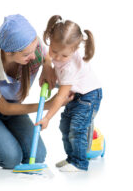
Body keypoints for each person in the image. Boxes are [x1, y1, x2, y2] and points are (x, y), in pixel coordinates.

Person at [0, 14, 73, 169]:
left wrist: (47, 65)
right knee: (11, 159)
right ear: (8, 52)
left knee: (37, 156)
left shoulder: (32, 46)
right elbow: (5, 108)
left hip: (12, 107)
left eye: (35, 49)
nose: (34, 56)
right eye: (27, 54)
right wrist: (48, 105)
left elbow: (45, 55)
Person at [35, 15, 102, 172]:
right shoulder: (57, 51)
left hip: (89, 96)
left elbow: (61, 97)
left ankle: (79, 162)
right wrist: (48, 67)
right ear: (50, 40)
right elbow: (46, 55)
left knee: (77, 128)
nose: (57, 57)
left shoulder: (69, 67)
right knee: (65, 126)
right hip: (76, 95)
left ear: (75, 50)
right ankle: (71, 158)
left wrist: (47, 118)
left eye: (64, 55)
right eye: (54, 50)